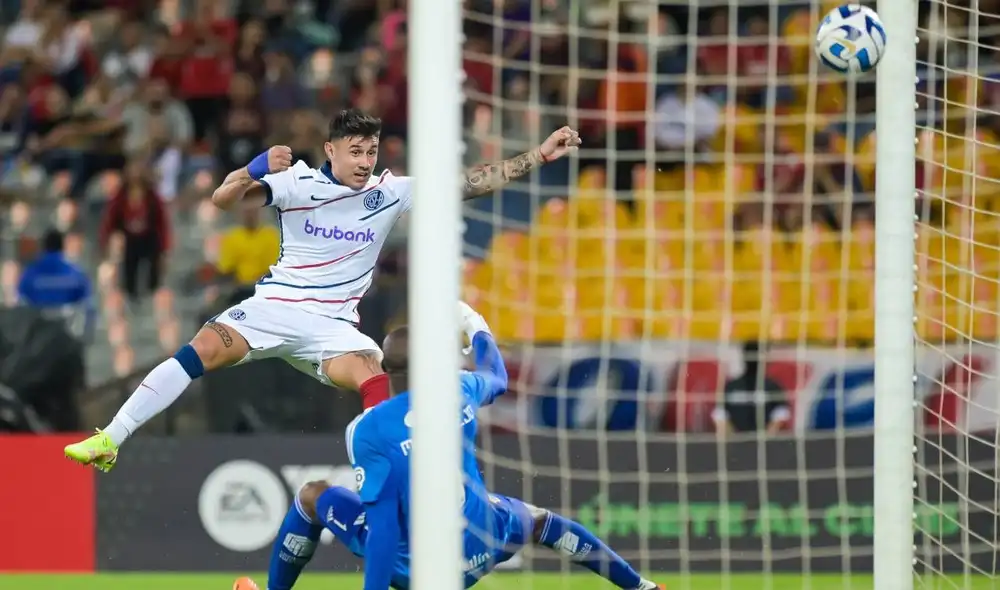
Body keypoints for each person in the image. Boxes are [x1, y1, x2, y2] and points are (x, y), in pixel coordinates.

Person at [64, 108, 582, 471]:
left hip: (335, 327)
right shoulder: (298, 183)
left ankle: (392, 474)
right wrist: (253, 168)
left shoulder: (390, 193)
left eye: (372, 151)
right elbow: (223, 201)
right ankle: (111, 438)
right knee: (197, 351)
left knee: (372, 373)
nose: (364, 160)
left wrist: (538, 154)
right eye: (355, 151)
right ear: (331, 149)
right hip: (275, 308)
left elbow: (474, 180)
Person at [235, 303, 661, 590]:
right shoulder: (457, 388)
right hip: (481, 541)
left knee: (313, 496)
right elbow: (498, 377)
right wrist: (476, 326)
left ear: (384, 369)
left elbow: (382, 530)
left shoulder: (368, 429)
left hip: (418, 571)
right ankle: (639, 587)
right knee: (539, 522)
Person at [17, 229, 93, 342]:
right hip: (67, 336)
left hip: (38, 337)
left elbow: (21, 299)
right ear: (62, 246)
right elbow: (85, 301)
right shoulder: (75, 272)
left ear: (43, 247)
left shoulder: (30, 273)